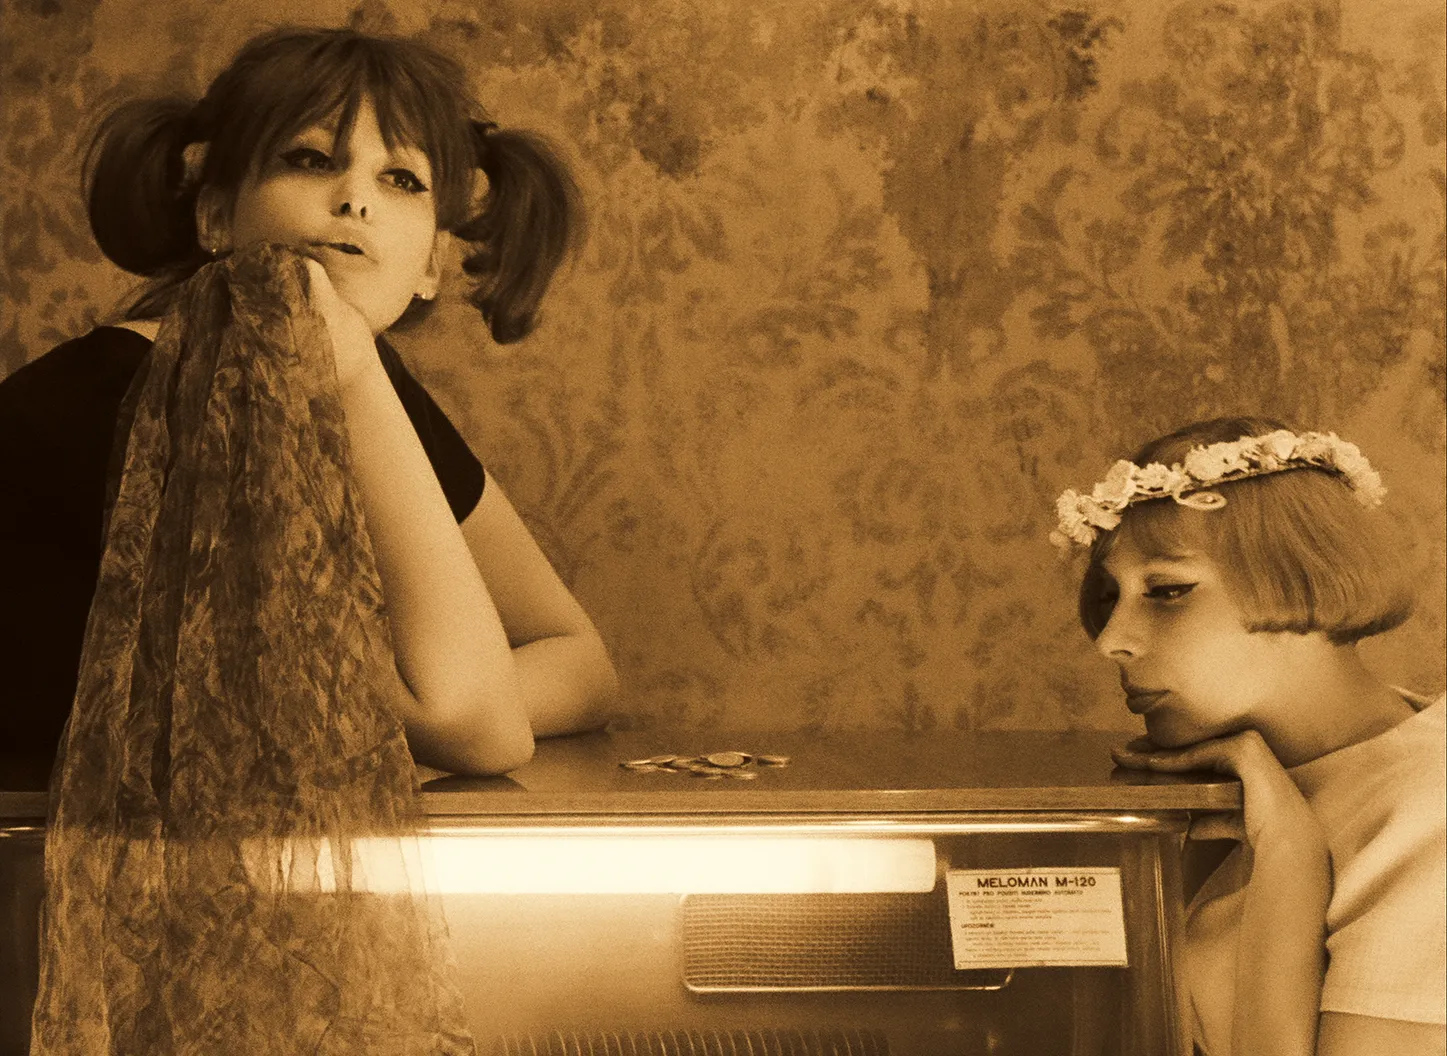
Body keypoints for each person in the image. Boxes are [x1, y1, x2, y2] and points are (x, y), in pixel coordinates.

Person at [0, 27, 618, 776]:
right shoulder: (127, 395)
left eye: (401, 180)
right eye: (311, 160)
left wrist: (358, 370)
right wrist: (354, 370)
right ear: (216, 217)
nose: (355, 200)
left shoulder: (365, 380)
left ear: (432, 264)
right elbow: (474, 726)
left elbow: (578, 662)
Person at [1051, 416, 1446, 1056]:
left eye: (1167, 590)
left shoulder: (1431, 816)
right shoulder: (1220, 781)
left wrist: (1291, 854)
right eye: (1108, 597)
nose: (1111, 640)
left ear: (1303, 574)